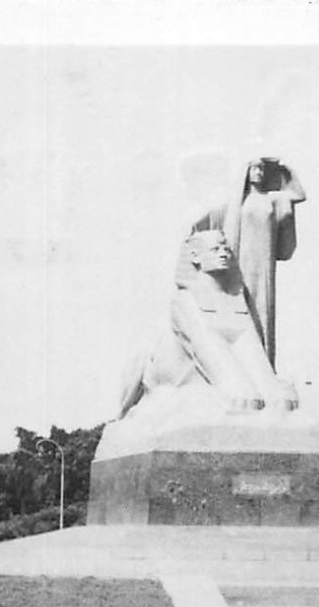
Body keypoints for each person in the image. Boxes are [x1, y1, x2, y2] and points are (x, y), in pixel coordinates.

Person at [118, 229, 298, 419]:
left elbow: (250, 347)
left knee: (274, 395)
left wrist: (269, 386)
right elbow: (206, 346)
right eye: (215, 249)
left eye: (226, 249)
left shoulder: (237, 298)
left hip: (215, 360)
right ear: (195, 256)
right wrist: (235, 386)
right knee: (241, 394)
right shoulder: (185, 299)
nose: (223, 254)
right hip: (172, 372)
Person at [193, 157, 306, 370]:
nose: (259, 173)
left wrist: (284, 169)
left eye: (262, 170)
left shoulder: (272, 199)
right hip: (240, 263)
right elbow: (209, 220)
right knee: (241, 308)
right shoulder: (237, 203)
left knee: (263, 308)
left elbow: (299, 195)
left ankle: (264, 363)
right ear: (247, 172)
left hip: (263, 265)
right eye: (255, 169)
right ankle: (240, 363)